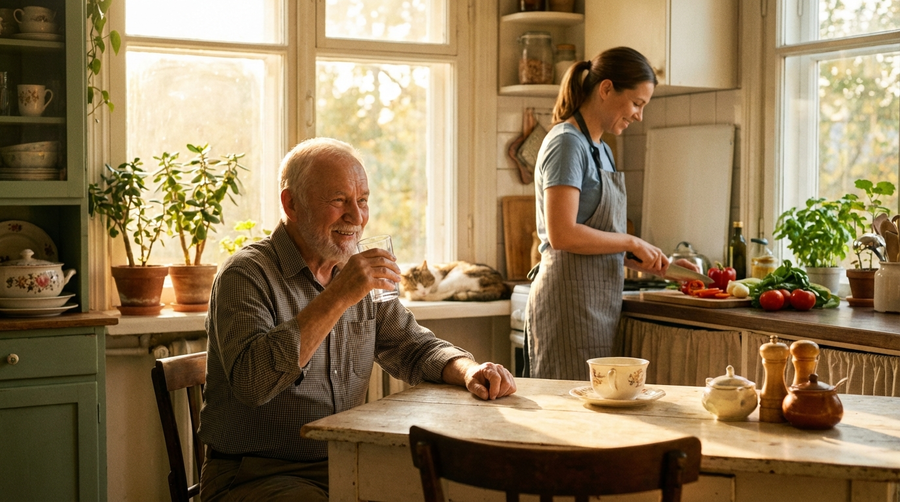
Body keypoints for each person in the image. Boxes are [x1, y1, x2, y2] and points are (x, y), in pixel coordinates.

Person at [198, 137, 517, 501]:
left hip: (348, 461)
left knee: (452, 491)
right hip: (256, 475)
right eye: (339, 201)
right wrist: (339, 295)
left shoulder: (354, 277)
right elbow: (253, 383)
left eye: (362, 200)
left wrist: (468, 370)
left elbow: (413, 346)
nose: (357, 216)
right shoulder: (245, 275)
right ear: (291, 204)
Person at [525, 46, 690, 381]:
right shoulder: (567, 143)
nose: (639, 115)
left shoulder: (601, 150)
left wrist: (664, 266)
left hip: (597, 305)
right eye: (636, 103)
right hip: (568, 304)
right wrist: (632, 239)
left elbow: (602, 240)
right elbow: (563, 234)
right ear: (606, 89)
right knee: (569, 416)